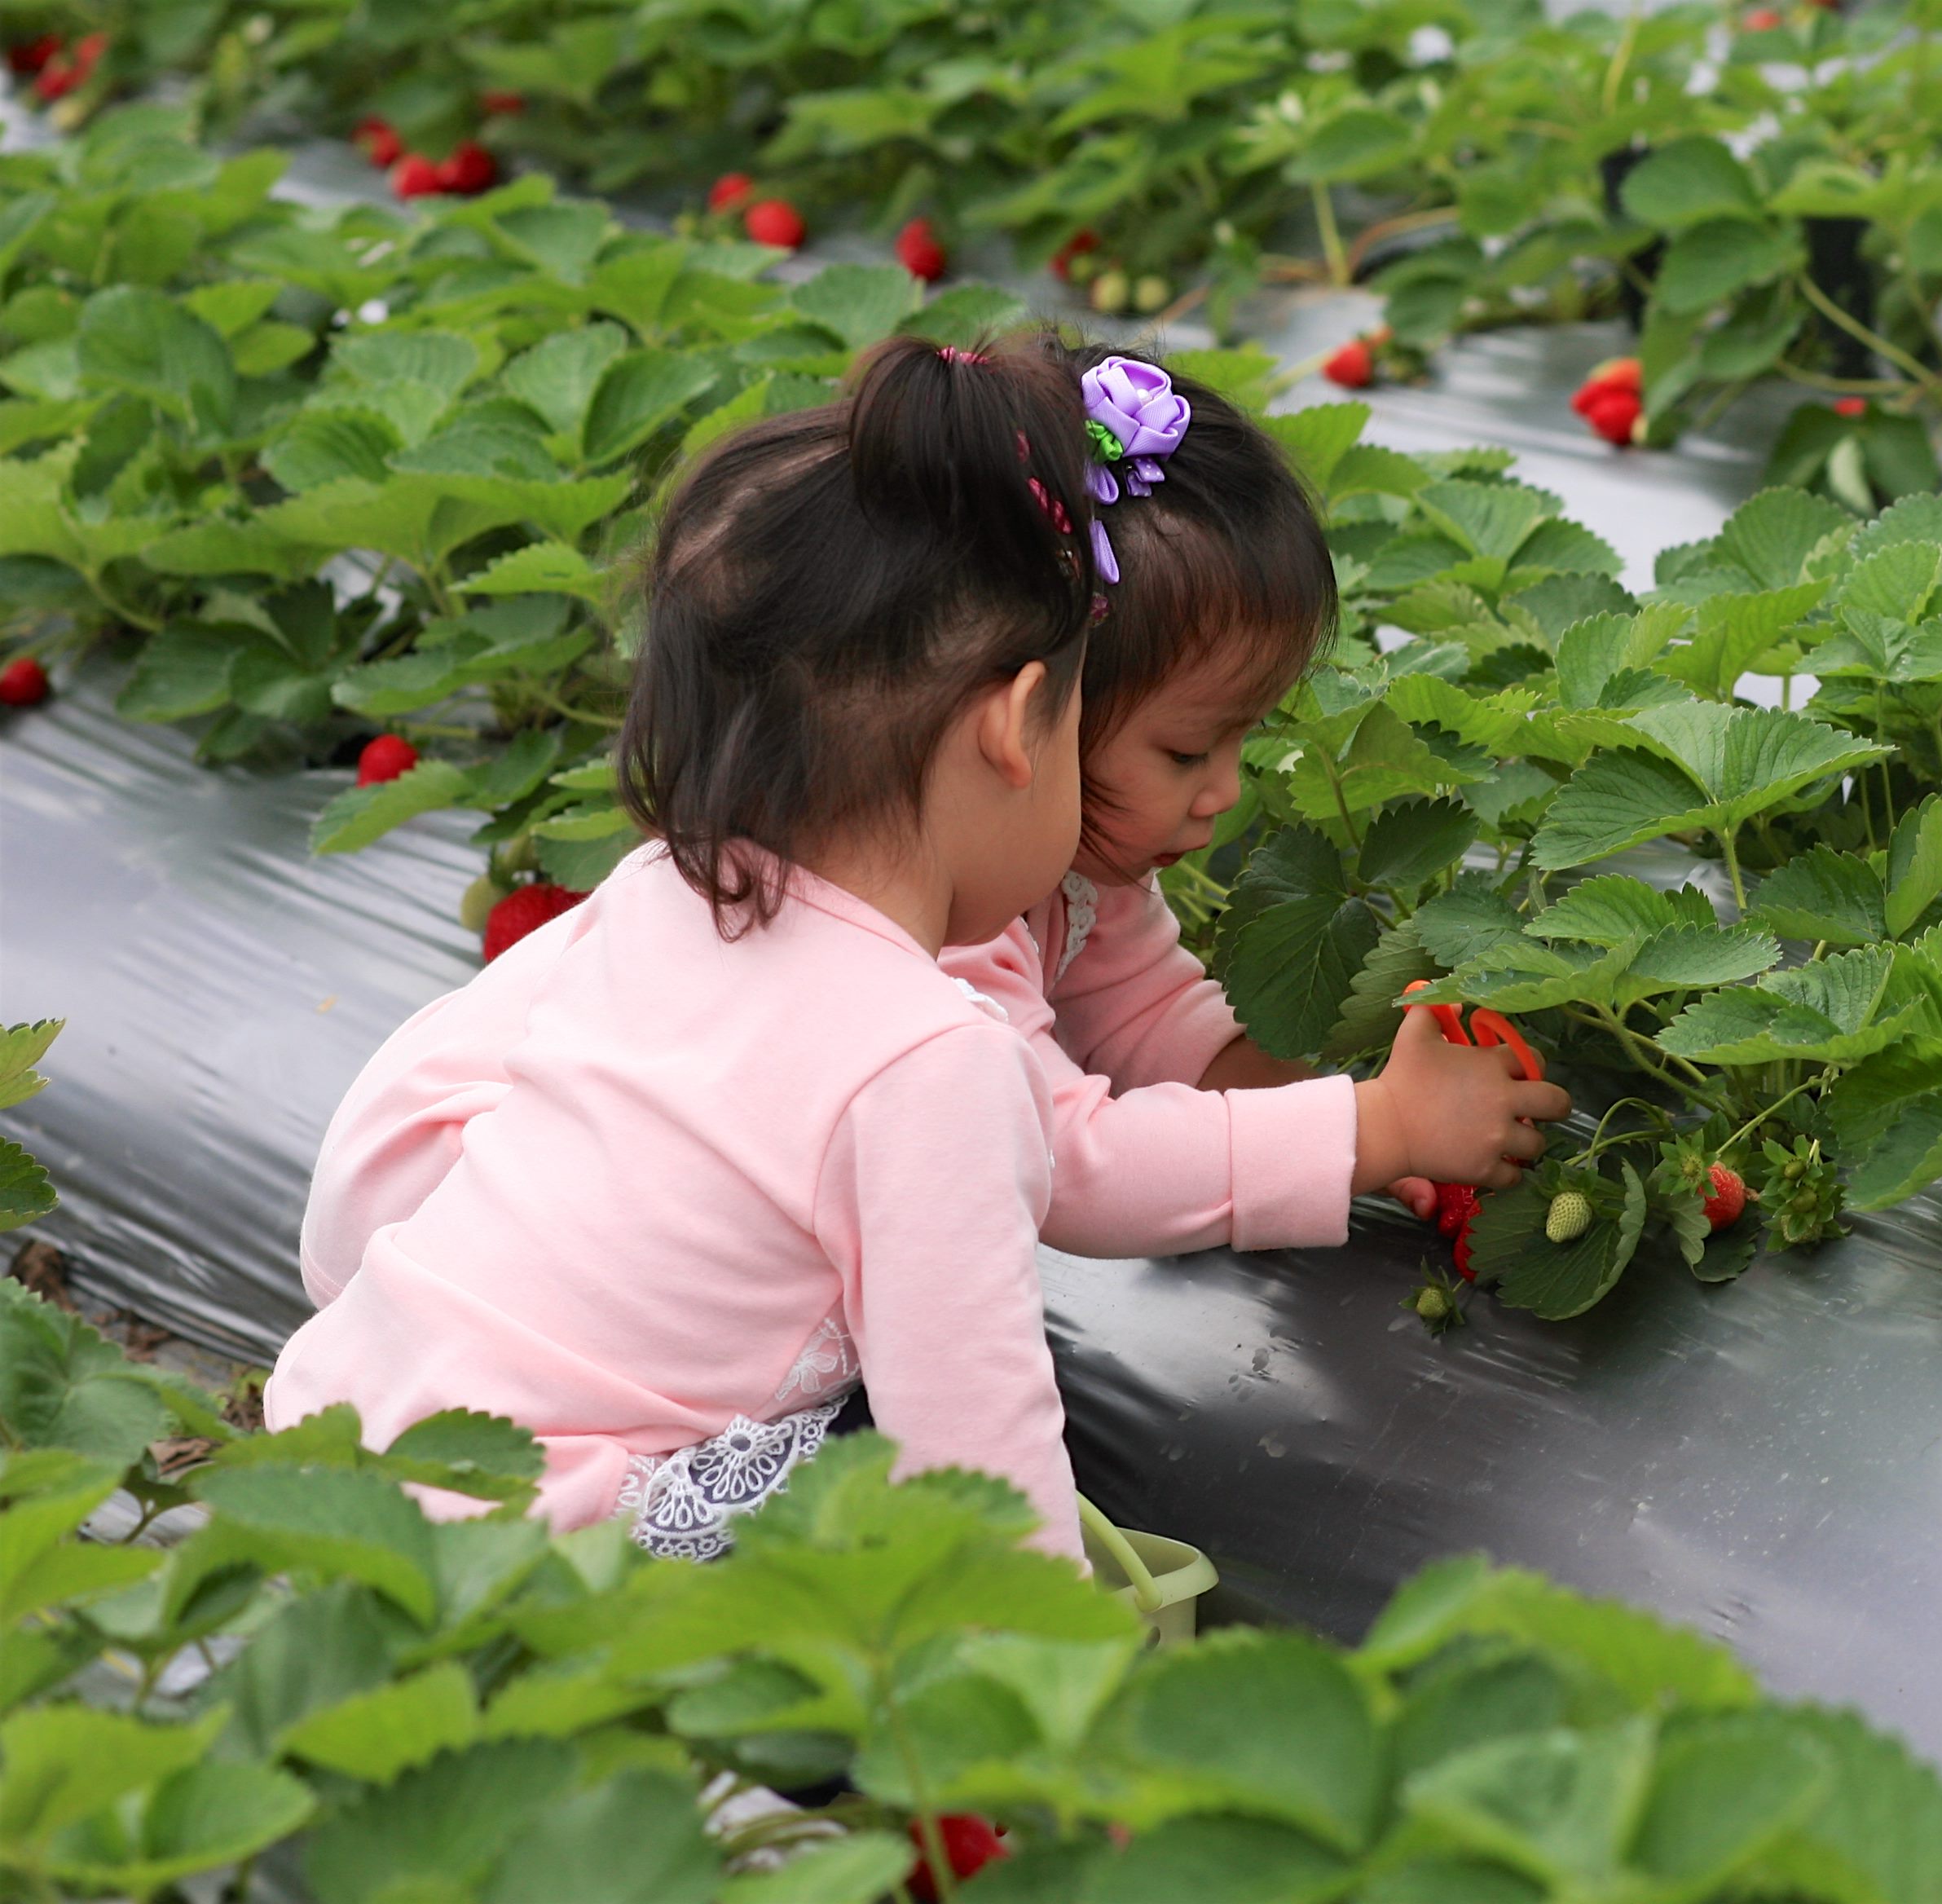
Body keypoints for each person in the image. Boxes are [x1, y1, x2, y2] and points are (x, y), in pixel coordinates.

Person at [267, 337, 1565, 1560]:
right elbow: (987, 1459)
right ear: (1025, 721)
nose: (1224, 793)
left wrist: (1352, 1104)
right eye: (1179, 749)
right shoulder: (927, 1047)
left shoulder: (687, 876)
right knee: (858, 1492)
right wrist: (1050, 1705)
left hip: (347, 1425)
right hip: (545, 1539)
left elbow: (1155, 1018)